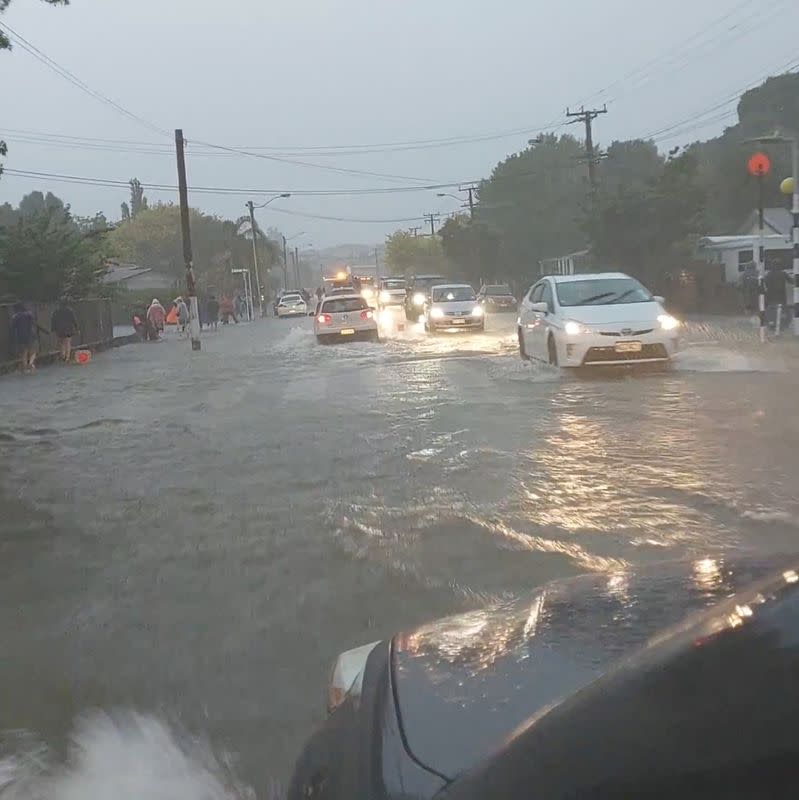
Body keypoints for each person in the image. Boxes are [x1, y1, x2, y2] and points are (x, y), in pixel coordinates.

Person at [9, 302, 39, 373]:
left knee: (24, 352)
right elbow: (33, 323)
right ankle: (31, 363)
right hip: (30, 335)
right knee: (33, 351)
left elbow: (13, 328)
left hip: (20, 336)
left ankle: (25, 367)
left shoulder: (15, 317)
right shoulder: (29, 314)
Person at [50, 298, 79, 363]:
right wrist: (77, 328)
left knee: (61, 343)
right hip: (68, 328)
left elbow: (53, 320)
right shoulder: (70, 311)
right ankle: (67, 357)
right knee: (68, 342)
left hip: (59, 328)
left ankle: (62, 355)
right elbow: (74, 320)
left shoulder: (56, 311)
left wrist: (53, 328)